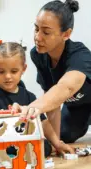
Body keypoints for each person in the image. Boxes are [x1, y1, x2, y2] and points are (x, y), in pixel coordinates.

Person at [13, 0, 91, 144]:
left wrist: (32, 108)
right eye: (36, 29)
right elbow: (51, 97)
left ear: (66, 34)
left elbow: (65, 87)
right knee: (63, 135)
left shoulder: (81, 56)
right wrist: (56, 142)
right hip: (77, 105)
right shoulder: (38, 55)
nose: (37, 37)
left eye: (46, 32)